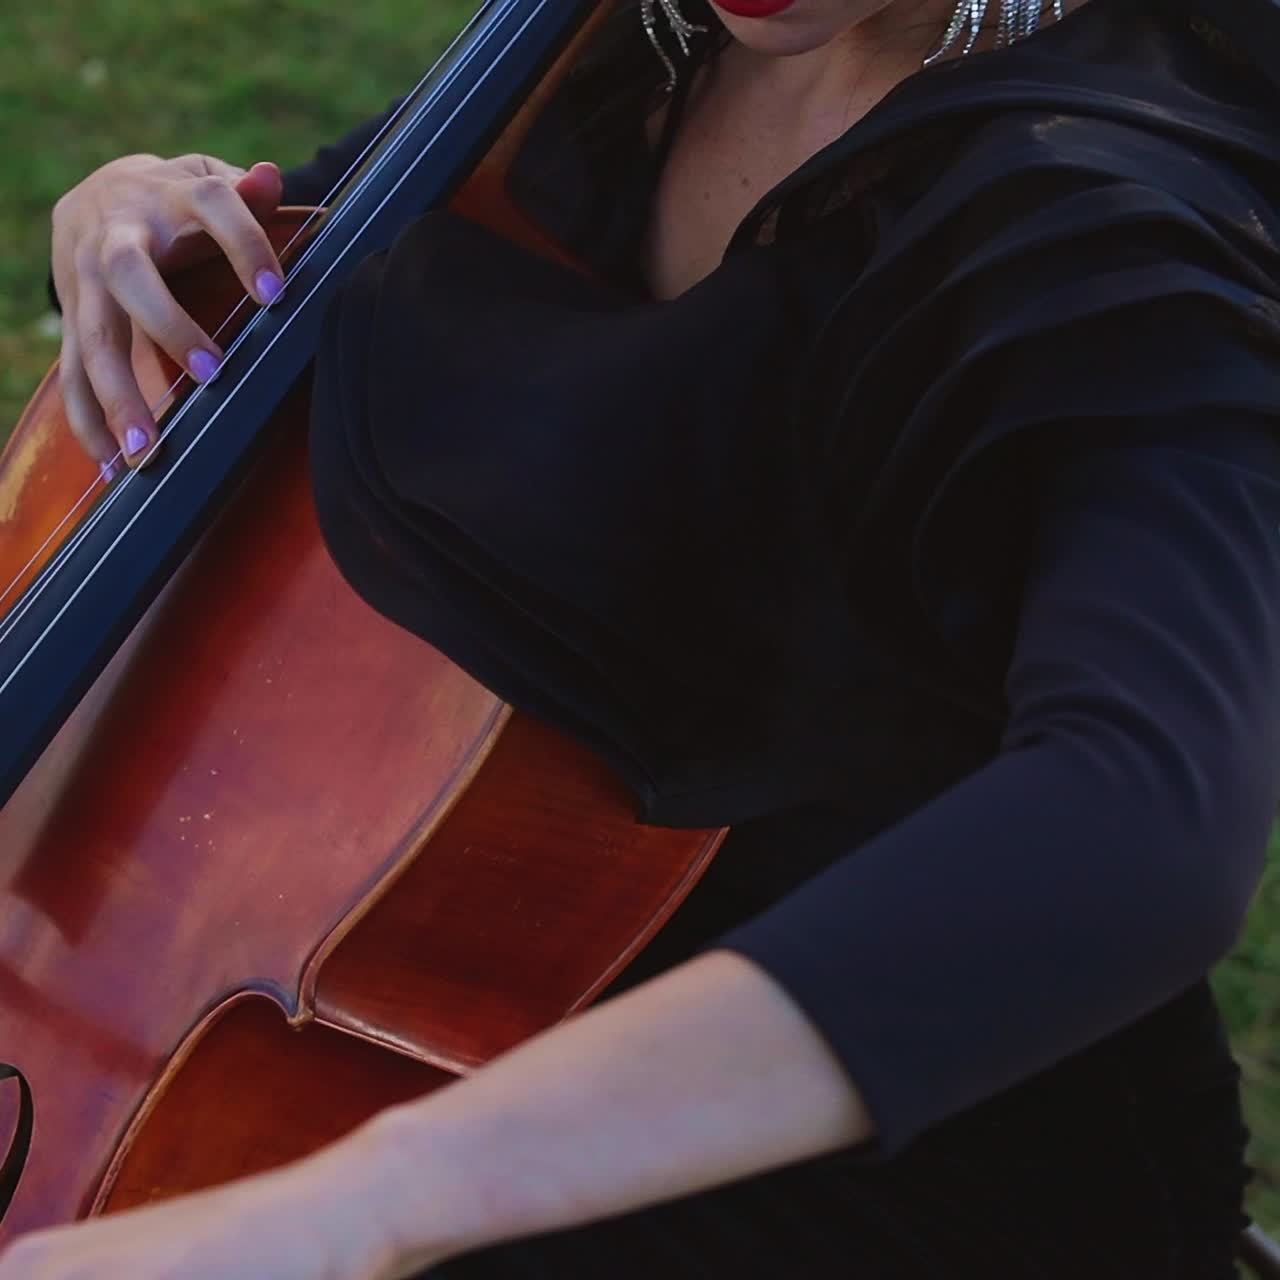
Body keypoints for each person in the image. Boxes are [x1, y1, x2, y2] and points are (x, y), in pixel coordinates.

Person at [8, 0, 1280, 1274]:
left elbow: (1141, 820)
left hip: (868, 1160)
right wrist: (146, 221)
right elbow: (318, 270)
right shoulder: (612, 46)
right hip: (480, 993)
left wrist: (375, 1197)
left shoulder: (1104, 221)